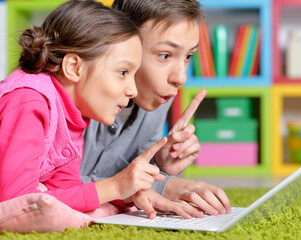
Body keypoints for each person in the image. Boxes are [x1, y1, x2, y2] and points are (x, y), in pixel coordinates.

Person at [0, 0, 202, 220]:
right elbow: (14, 202)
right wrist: (115, 187)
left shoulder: (73, 114)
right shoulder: (29, 101)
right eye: (123, 72)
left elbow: (68, 189)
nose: (132, 90)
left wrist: (126, 193)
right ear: (74, 68)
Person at [81, 0, 232, 216]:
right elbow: (50, 184)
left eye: (188, 56)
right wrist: (161, 185)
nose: (180, 77)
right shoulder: (81, 95)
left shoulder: (157, 97)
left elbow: (133, 175)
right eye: (165, 55)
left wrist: (161, 166)